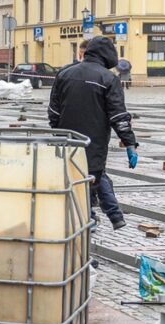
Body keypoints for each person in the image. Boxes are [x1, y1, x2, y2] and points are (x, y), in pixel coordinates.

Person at [48, 36, 138, 230]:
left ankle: (96, 218)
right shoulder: (108, 78)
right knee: (94, 176)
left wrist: (58, 131)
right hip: (94, 141)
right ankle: (98, 218)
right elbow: (119, 116)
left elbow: (53, 111)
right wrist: (129, 144)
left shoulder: (64, 74)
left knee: (75, 177)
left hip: (67, 139)